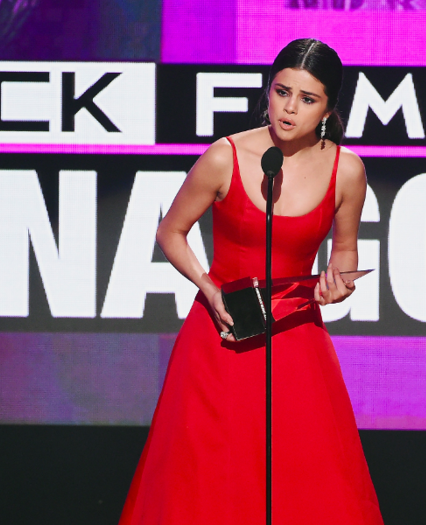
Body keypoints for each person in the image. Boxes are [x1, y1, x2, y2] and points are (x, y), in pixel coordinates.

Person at [118, 38, 383, 525]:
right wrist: (209, 286)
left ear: (329, 108)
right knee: (202, 478)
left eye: (307, 99)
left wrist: (338, 283)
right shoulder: (227, 156)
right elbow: (170, 231)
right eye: (282, 92)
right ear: (268, 90)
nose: (289, 109)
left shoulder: (347, 171)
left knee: (304, 478)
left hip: (296, 336)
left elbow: (344, 257)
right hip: (219, 334)